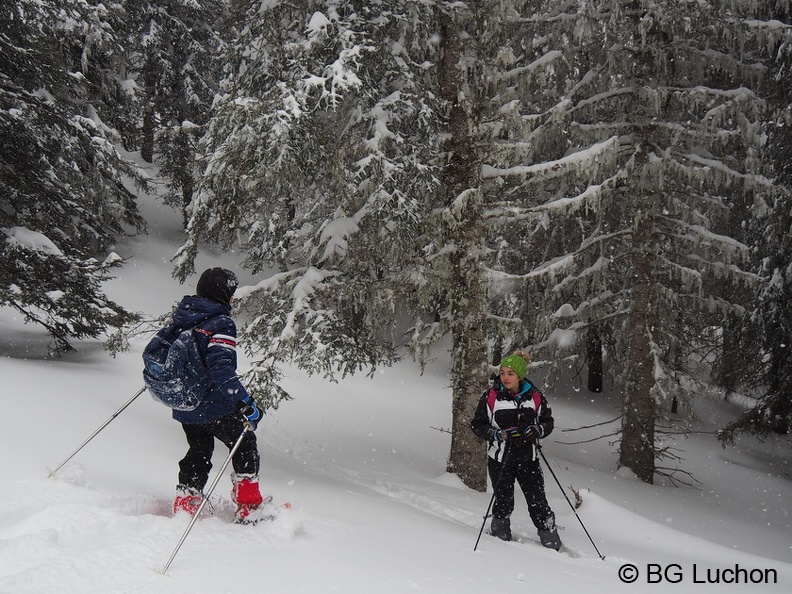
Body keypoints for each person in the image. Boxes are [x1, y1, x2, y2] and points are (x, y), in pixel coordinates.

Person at [160, 267, 264, 524]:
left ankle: (186, 502)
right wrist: (245, 403)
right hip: (213, 404)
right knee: (245, 443)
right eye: (231, 293)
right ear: (224, 294)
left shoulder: (182, 317)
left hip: (185, 403)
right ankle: (249, 509)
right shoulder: (221, 323)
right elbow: (221, 369)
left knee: (199, 448)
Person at [470, 350, 562, 550]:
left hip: (528, 458)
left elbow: (548, 423)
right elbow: (477, 425)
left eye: (510, 373)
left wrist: (537, 431)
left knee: (538, 501)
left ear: (520, 375)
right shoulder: (491, 397)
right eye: (502, 373)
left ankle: (551, 540)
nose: (505, 378)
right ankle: (500, 538)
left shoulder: (534, 396)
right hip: (500, 458)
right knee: (503, 499)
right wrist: (499, 435)